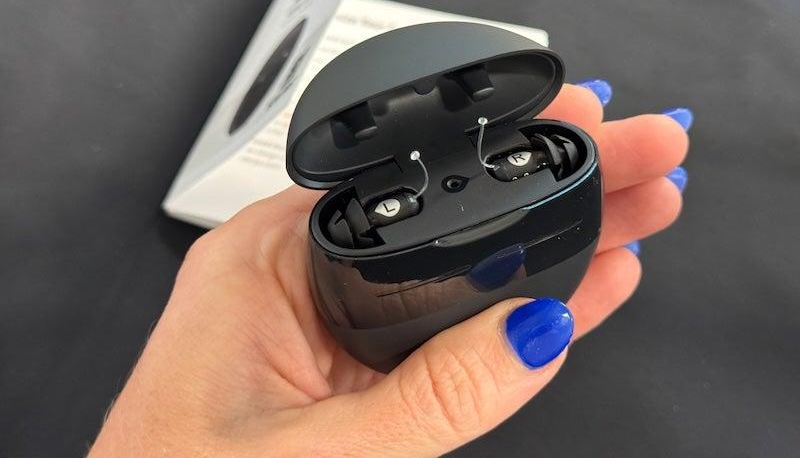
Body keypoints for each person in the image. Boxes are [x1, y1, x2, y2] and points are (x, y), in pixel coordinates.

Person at [89, 82, 691, 457]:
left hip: (419, 263)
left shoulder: (358, 225)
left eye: (512, 163)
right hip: (377, 303)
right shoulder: (339, 261)